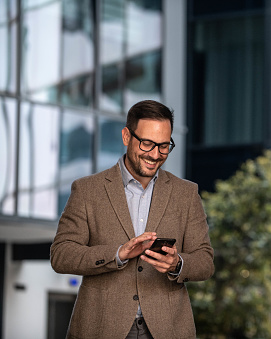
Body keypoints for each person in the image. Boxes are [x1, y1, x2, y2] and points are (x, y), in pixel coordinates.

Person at [50, 100, 214, 339]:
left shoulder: (186, 194)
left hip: (168, 329)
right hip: (101, 328)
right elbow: (61, 255)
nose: (155, 155)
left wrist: (177, 264)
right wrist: (118, 254)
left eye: (164, 146)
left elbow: (205, 260)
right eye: (147, 144)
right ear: (127, 136)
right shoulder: (87, 190)